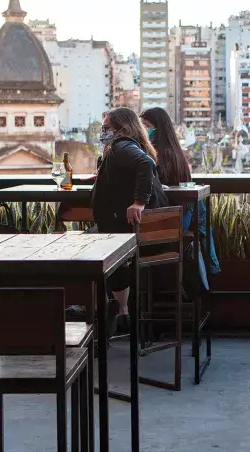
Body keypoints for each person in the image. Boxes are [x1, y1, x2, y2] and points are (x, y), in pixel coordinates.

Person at [91, 107, 169, 334]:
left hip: (132, 232)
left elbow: (145, 164)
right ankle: (121, 312)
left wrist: (139, 202)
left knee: (88, 247)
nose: (103, 133)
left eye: (106, 129)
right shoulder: (127, 146)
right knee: (104, 242)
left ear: (122, 129)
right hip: (137, 230)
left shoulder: (122, 145)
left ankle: (109, 312)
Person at [140, 106, 221, 287]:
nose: (143, 130)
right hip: (176, 220)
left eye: (146, 125)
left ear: (158, 129)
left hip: (162, 223)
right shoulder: (174, 153)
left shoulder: (156, 156)